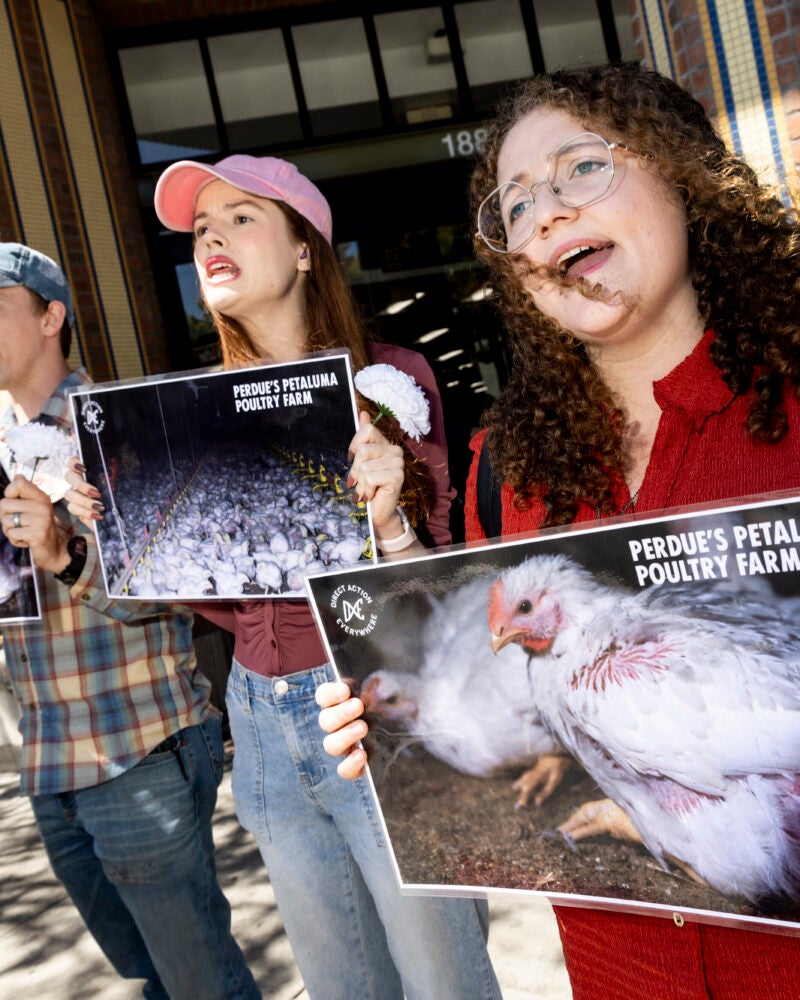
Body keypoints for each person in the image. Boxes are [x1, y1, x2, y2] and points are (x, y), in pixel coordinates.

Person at [317, 61, 800, 998]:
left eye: (582, 169)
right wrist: (379, 682)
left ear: (682, 172)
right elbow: (487, 633)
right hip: (622, 968)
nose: (543, 213)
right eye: (515, 205)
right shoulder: (514, 462)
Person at [152, 154, 502, 1000]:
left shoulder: (387, 379)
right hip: (257, 713)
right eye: (201, 230)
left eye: (240, 218)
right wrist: (139, 535)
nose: (212, 241)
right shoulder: (195, 412)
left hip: (370, 700)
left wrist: (389, 517)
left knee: (443, 980)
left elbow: (437, 569)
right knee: (342, 984)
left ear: (305, 248)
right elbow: (224, 608)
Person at [0, 243, 259, 1000]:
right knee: (151, 979)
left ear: (52, 317)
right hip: (49, 763)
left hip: (137, 748)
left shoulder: (124, 430)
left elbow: (181, 597)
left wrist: (63, 553)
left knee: (199, 981)